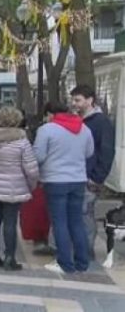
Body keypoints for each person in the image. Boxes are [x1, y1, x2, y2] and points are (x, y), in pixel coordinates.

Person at [34, 102, 94, 274]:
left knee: (59, 222)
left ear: (51, 114)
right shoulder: (84, 128)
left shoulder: (46, 130)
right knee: (76, 221)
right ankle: (82, 262)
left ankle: (65, 263)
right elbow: (89, 152)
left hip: (55, 180)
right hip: (78, 180)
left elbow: (38, 155)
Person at [0, 107, 40, 271]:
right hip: (14, 186)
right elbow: (31, 169)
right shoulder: (21, 141)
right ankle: (9, 257)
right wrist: (33, 184)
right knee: (10, 222)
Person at [70, 85, 116, 260]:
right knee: (80, 213)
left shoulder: (100, 122)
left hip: (89, 178)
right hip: (76, 175)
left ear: (90, 100)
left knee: (84, 214)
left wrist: (96, 177)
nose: (74, 104)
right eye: (73, 100)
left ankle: (85, 252)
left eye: (78, 100)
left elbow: (106, 151)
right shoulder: (79, 120)